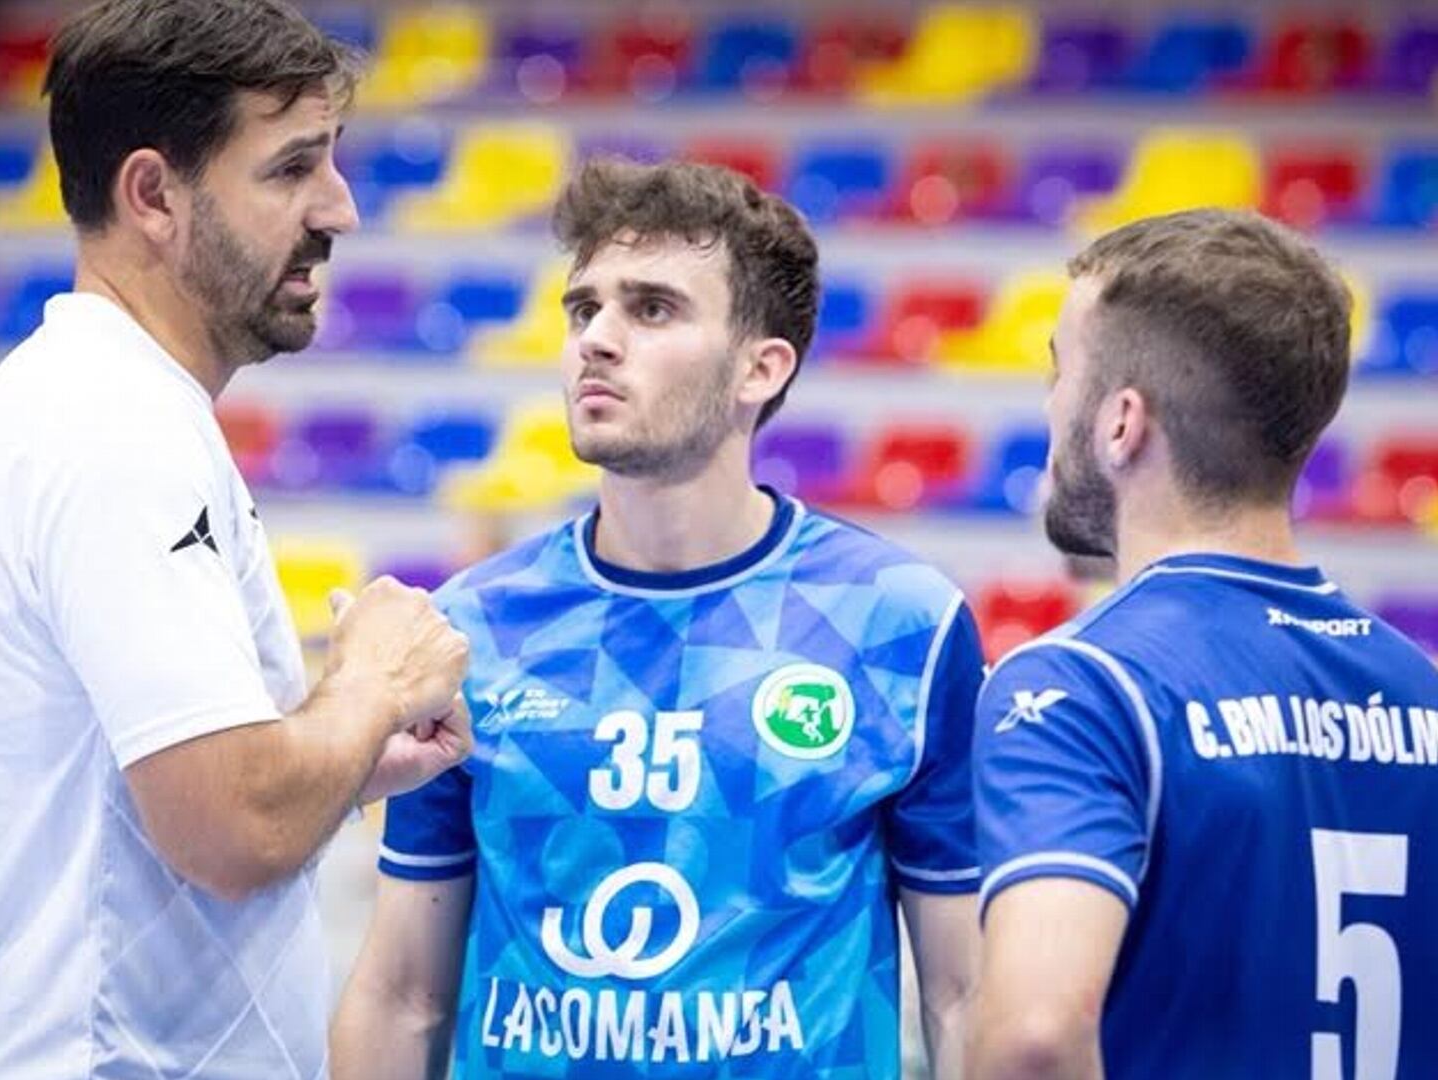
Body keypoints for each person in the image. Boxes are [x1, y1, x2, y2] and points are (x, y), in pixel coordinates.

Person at [0, 1, 471, 1075]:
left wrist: (344, 760)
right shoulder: (113, 431)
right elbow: (231, 828)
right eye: (292, 167)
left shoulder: (103, 407)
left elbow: (169, 803)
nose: (340, 209)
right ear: (154, 195)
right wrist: (372, 686)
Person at [331, 158, 984, 1079]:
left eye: (652, 309)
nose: (597, 338)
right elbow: (402, 993)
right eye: (583, 308)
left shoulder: (901, 626)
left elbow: (964, 996)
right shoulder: (467, 629)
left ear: (761, 368)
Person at [968, 209, 1438, 1079]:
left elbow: (1033, 1041)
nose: (1048, 405)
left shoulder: (1080, 689)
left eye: (1059, 372)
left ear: (1121, 423)